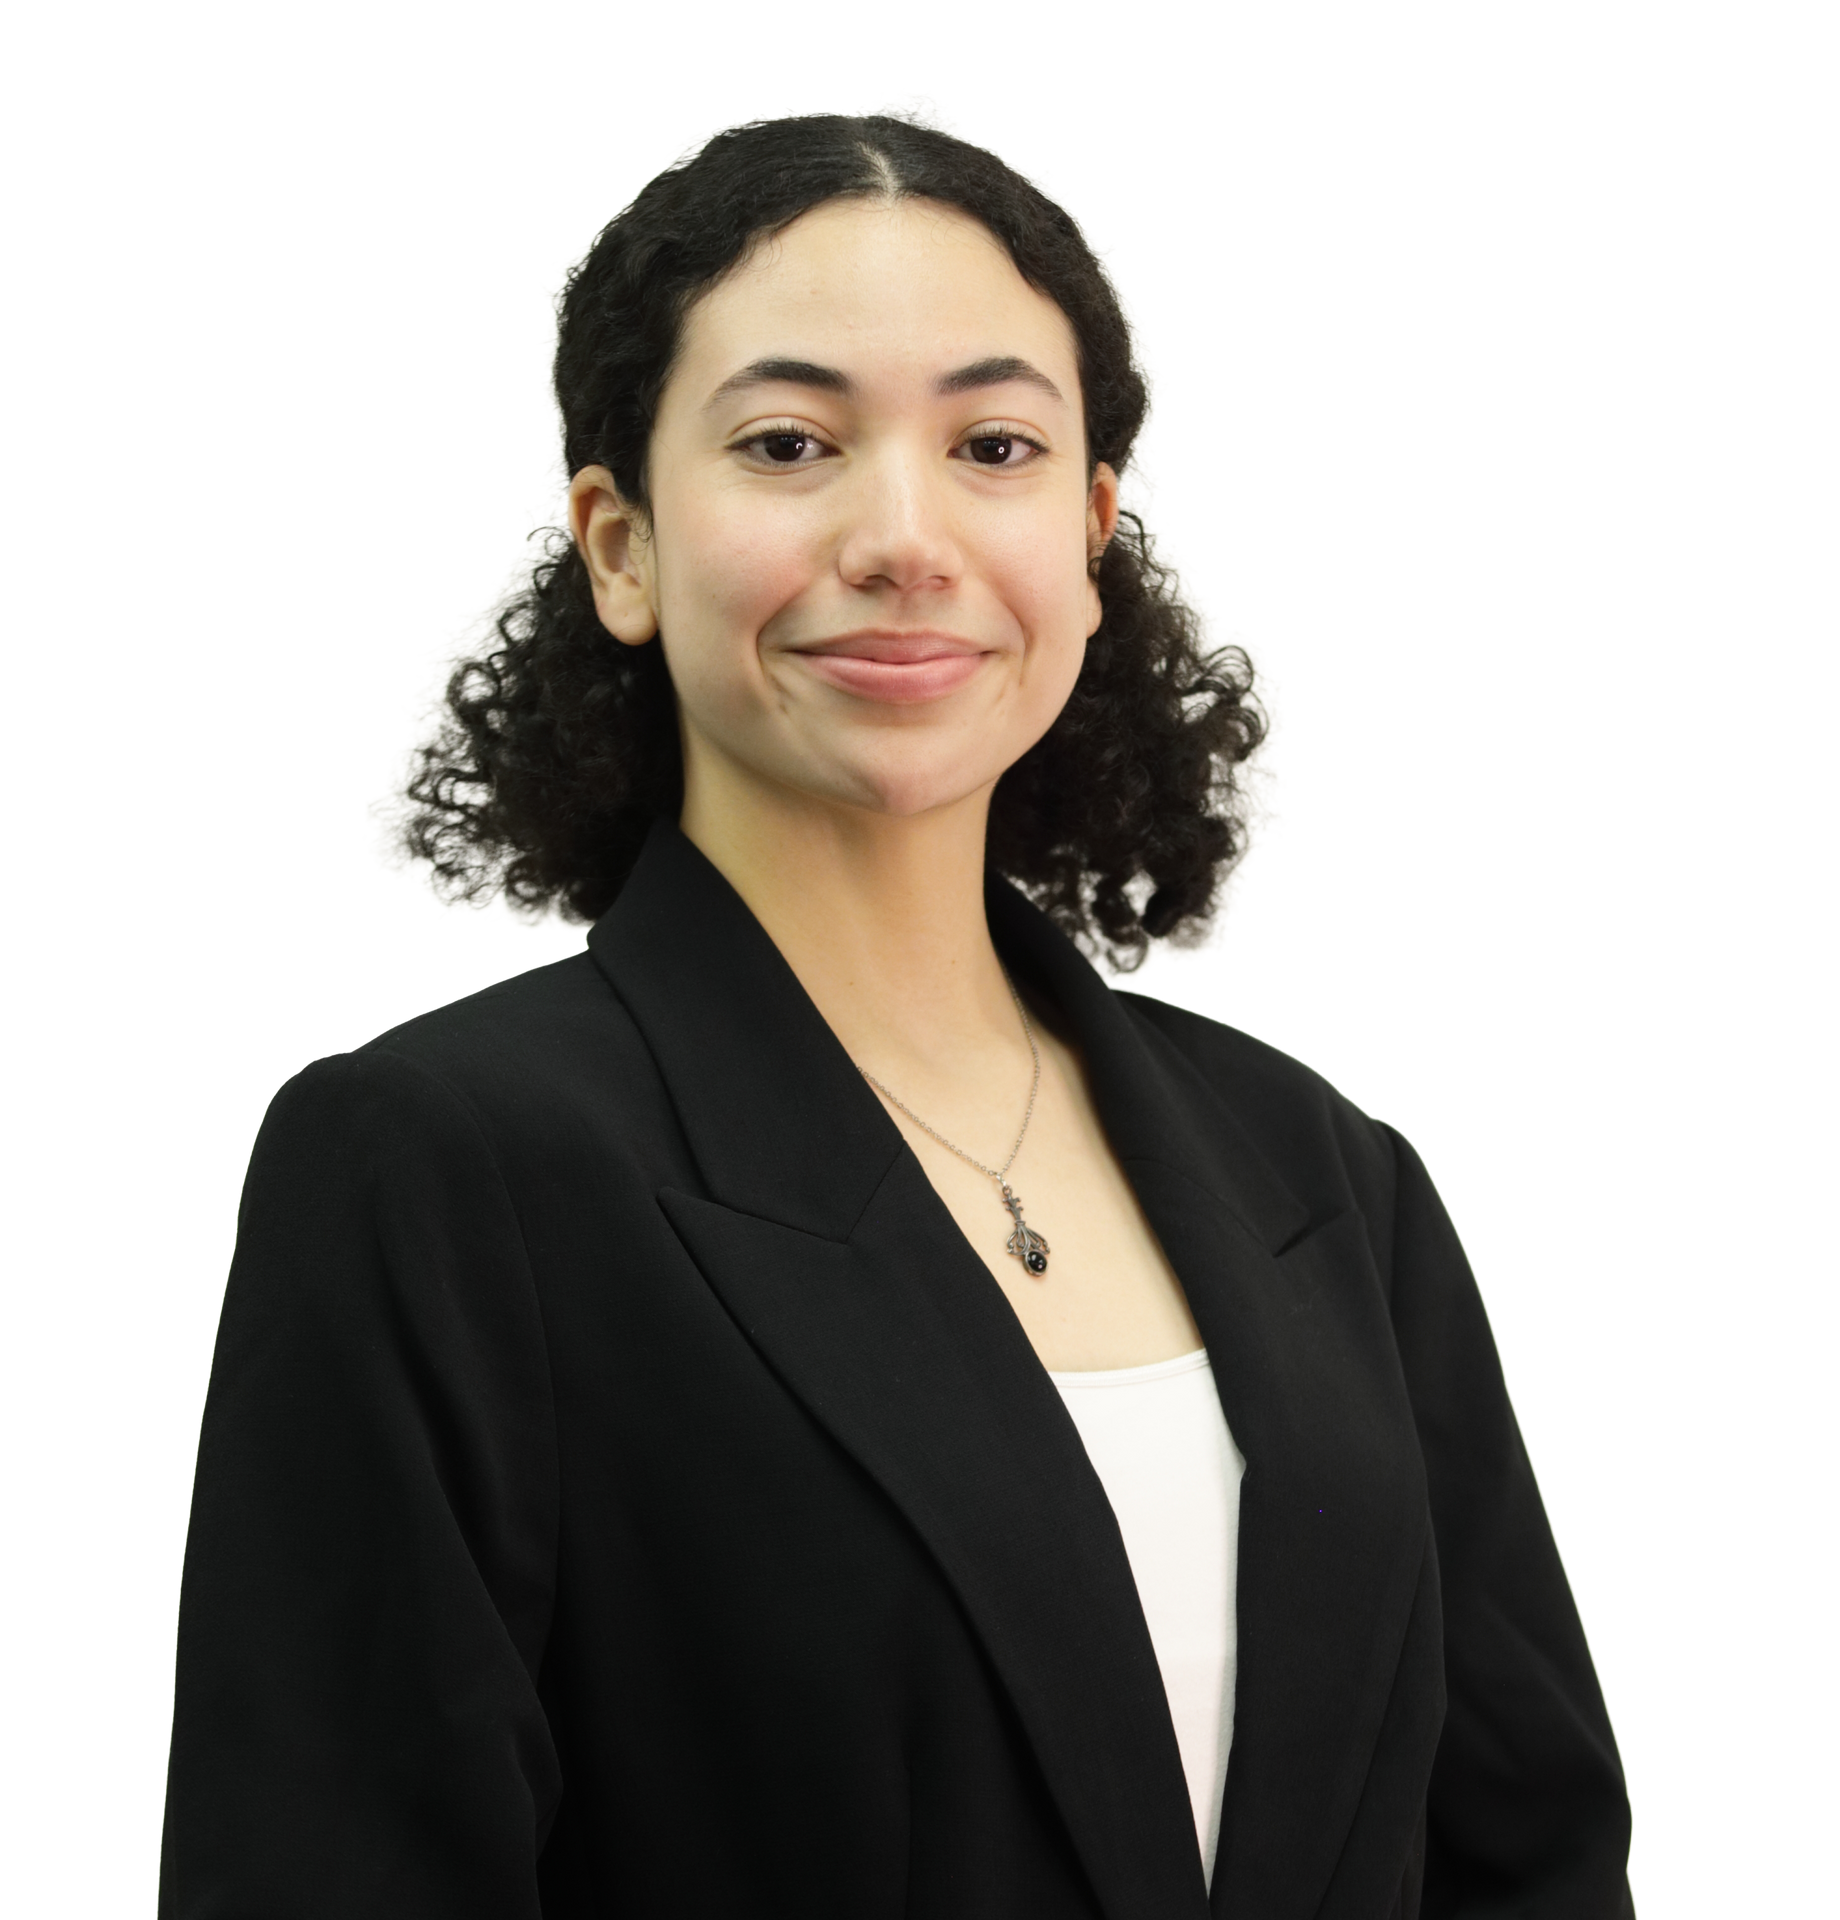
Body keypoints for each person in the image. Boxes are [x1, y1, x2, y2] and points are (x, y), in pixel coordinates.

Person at [156, 96, 1636, 1919]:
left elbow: (1534, 1863)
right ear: (618, 545)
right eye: (790, 442)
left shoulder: (1329, 1178)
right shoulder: (440, 1165)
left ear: (1092, 534)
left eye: (996, 444)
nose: (906, 535)